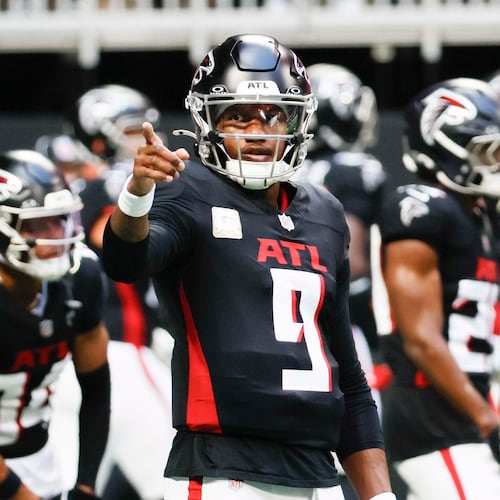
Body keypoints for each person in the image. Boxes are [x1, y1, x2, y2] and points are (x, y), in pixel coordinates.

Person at [102, 33, 394, 500]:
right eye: (238, 116)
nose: (258, 132)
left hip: (320, 473)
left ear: (297, 121)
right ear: (208, 121)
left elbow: (351, 381)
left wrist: (379, 495)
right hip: (228, 471)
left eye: (275, 116)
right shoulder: (188, 190)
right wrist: (138, 195)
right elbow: (125, 260)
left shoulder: (324, 212)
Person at [373, 77, 500, 499]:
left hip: (463, 409)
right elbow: (422, 339)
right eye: (488, 150)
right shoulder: (422, 207)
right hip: (433, 418)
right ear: (447, 147)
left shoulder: (476, 214)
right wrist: (487, 419)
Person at [48, 84, 174, 500]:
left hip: (65, 365)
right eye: (130, 132)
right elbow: (121, 244)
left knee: (68, 488)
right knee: (176, 482)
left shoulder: (62, 195)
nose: (143, 141)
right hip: (121, 354)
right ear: (97, 138)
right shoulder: (116, 187)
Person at [295, 62, 391, 500]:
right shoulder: (353, 170)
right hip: (340, 324)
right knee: (360, 432)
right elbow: (352, 261)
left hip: (292, 325)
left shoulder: (285, 174)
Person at [0, 149, 110, 499]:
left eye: (61, 220)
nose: (56, 237)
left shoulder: (81, 278)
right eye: (37, 224)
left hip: (38, 457)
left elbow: (96, 390)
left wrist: (86, 484)